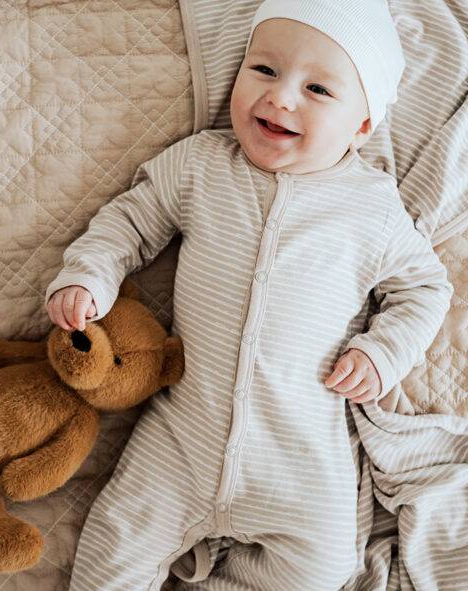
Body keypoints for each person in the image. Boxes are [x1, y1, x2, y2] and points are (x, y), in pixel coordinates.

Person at [45, 1, 453, 589]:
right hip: (182, 437)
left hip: (298, 456)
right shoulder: (201, 165)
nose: (281, 97)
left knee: (323, 570)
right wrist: (90, 275)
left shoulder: (372, 207)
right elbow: (130, 221)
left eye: (317, 88)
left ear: (362, 126)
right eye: (262, 70)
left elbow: (423, 289)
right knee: (113, 549)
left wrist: (383, 353)